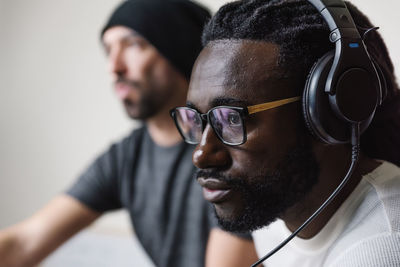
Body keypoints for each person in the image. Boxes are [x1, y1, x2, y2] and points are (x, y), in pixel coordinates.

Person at [0, 1, 257, 267]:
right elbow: (23, 243)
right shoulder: (127, 158)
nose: (114, 67)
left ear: (178, 48)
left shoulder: (231, 148)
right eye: (108, 49)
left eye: (133, 44)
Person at [170, 0, 400, 266]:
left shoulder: (383, 247)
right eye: (197, 120)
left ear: (326, 114)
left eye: (232, 118)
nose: (201, 154)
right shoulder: (275, 211)